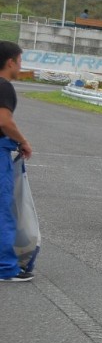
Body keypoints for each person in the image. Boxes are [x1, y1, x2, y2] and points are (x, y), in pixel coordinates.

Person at [0, 41, 34, 281]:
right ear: (10, 62)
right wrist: (23, 141)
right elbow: (4, 121)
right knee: (3, 210)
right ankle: (5, 267)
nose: (21, 66)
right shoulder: (4, 86)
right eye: (20, 61)